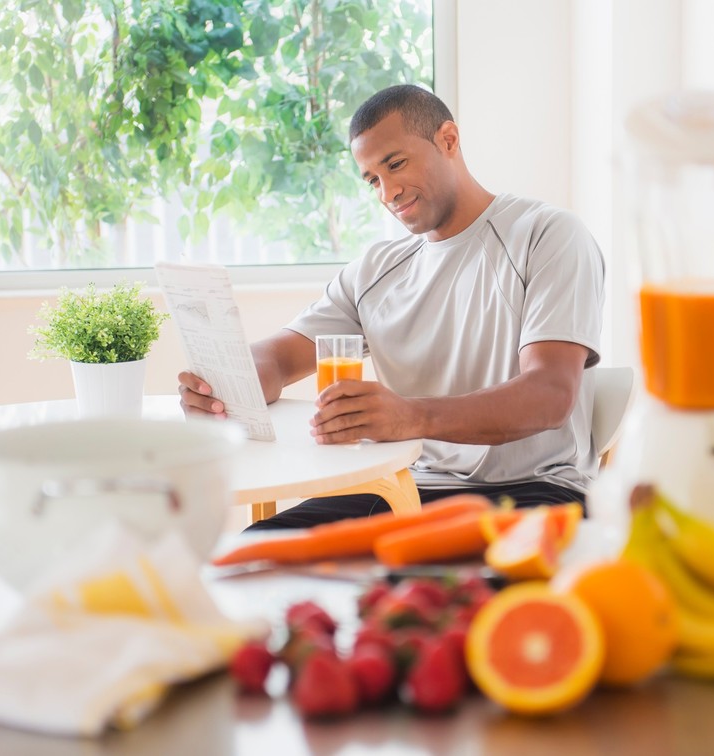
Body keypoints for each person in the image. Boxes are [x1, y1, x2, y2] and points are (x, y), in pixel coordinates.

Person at [178, 84, 606, 529]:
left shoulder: (546, 235)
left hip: (532, 492)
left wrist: (410, 416)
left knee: (410, 592)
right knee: (254, 551)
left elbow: (550, 395)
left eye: (395, 165)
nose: (388, 192)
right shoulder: (377, 271)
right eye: (372, 180)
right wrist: (224, 382)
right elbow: (279, 358)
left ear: (449, 140)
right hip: (407, 492)